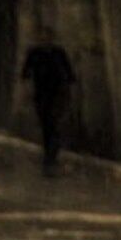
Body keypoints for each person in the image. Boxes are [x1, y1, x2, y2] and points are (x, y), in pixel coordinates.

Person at [21, 31, 76, 175]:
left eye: (48, 37)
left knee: (54, 123)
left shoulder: (59, 53)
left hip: (57, 93)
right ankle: (48, 153)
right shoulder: (34, 53)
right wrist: (27, 92)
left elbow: (69, 74)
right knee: (46, 124)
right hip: (41, 93)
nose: (45, 40)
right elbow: (26, 73)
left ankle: (51, 155)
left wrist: (69, 93)